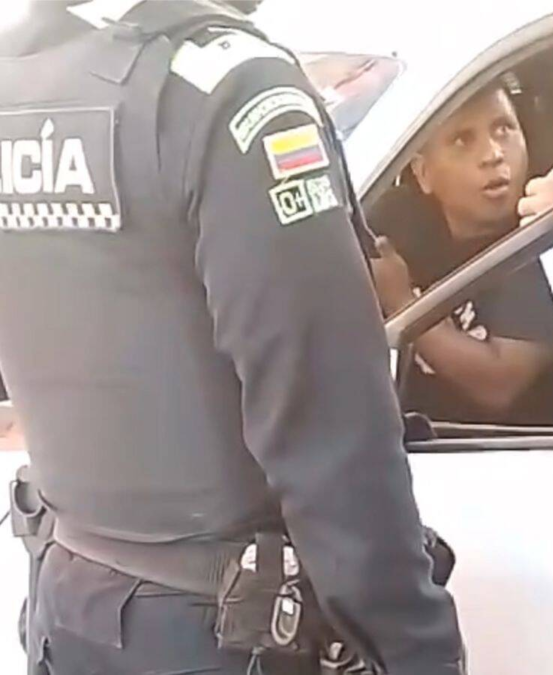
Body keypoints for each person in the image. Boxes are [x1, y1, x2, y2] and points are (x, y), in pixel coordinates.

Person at [0, 1, 463, 673]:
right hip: (215, 630)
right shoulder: (234, 91)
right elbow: (329, 427)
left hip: (70, 605)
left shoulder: (18, 76)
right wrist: (418, 651)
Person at [370, 81, 553, 426]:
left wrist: (401, 303)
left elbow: (500, 383)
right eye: (463, 140)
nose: (493, 154)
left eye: (504, 129)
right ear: (423, 172)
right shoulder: (397, 219)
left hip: (518, 450)